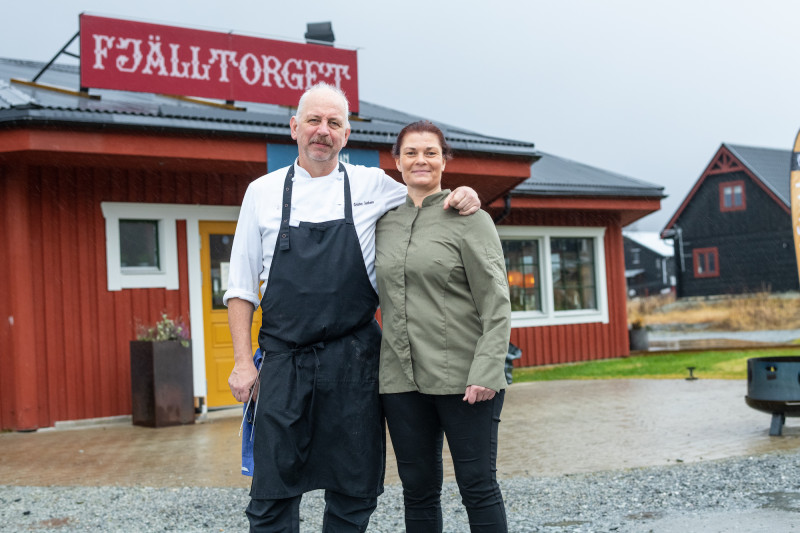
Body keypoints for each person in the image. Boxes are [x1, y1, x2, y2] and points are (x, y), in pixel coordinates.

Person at [223, 84, 481, 532]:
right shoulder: (261, 193)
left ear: (346, 135)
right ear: (294, 128)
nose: (322, 131)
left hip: (355, 362)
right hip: (284, 361)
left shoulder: (373, 185)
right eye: (313, 121)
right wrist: (244, 363)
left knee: (354, 488)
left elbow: (424, 189)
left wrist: (464, 194)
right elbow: (241, 288)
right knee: (271, 492)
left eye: (334, 123)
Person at [375, 121, 512, 532]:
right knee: (417, 491)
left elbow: (497, 302)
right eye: (411, 152)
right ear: (396, 162)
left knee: (477, 486)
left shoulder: (471, 219)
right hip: (400, 382)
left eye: (431, 152)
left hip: (466, 380)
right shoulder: (383, 222)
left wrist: (488, 370)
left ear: (443, 160)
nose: (421, 160)